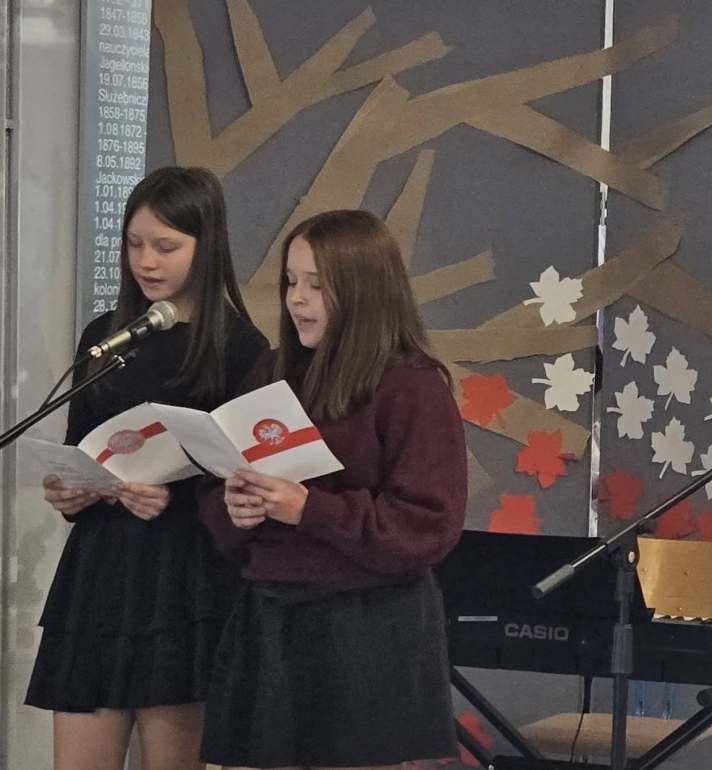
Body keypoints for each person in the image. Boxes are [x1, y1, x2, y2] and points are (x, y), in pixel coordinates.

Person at [196, 209, 466, 770]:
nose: (297, 299)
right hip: (270, 616)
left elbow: (427, 525)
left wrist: (309, 509)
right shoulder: (272, 372)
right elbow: (221, 485)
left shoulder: (413, 386)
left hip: (365, 629)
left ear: (364, 291)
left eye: (317, 285)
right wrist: (234, 508)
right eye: (291, 281)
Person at [29, 166, 268, 770]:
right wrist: (72, 490)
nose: (146, 261)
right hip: (99, 572)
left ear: (206, 247)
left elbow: (246, 481)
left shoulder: (241, 348)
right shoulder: (106, 338)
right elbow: (81, 446)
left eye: (166, 246)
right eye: (135, 244)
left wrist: (173, 496)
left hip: (184, 578)